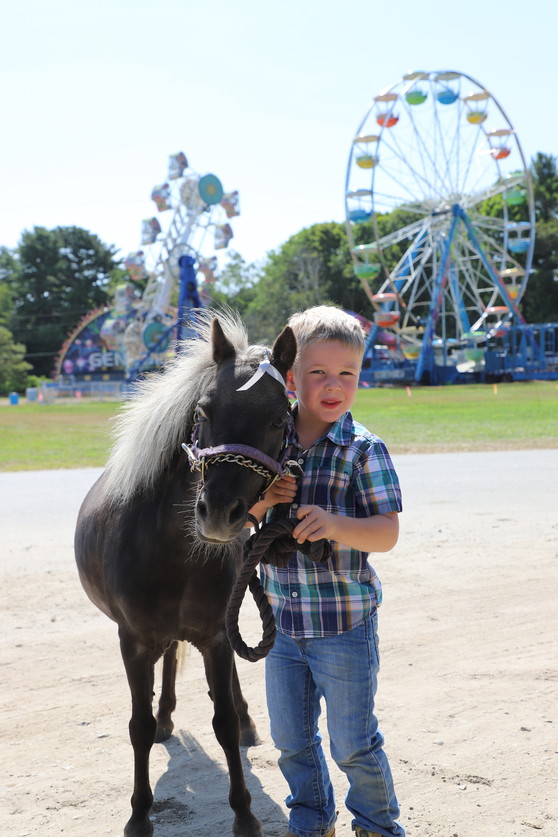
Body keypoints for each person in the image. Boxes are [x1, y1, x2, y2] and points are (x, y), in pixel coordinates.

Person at [249, 306, 405, 837]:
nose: (333, 385)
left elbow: (386, 533)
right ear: (291, 377)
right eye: (318, 373)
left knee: (354, 743)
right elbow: (240, 523)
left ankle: (377, 825)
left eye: (348, 374)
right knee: (291, 741)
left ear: (361, 377)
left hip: (344, 626)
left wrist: (337, 523)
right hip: (284, 629)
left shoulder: (364, 450)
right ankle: (313, 821)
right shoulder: (269, 446)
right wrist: (263, 500)